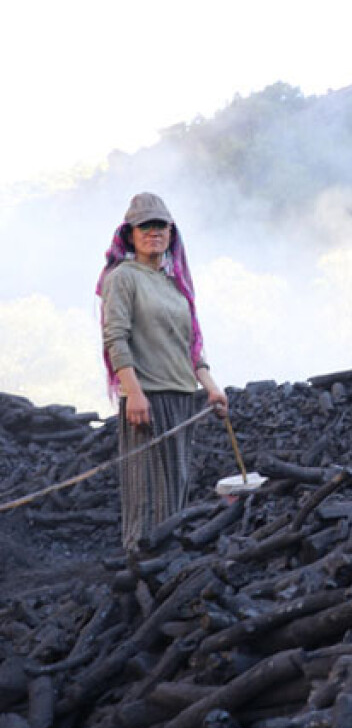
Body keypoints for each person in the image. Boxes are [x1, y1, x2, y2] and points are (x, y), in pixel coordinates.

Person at [96, 192, 227, 554]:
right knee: (147, 493)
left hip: (181, 397)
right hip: (147, 398)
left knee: (175, 488)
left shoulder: (174, 286)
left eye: (161, 226)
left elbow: (189, 346)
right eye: (145, 226)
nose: (154, 232)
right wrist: (133, 392)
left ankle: (168, 564)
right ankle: (140, 567)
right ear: (131, 234)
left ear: (171, 233)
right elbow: (115, 338)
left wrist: (211, 388)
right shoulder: (123, 278)